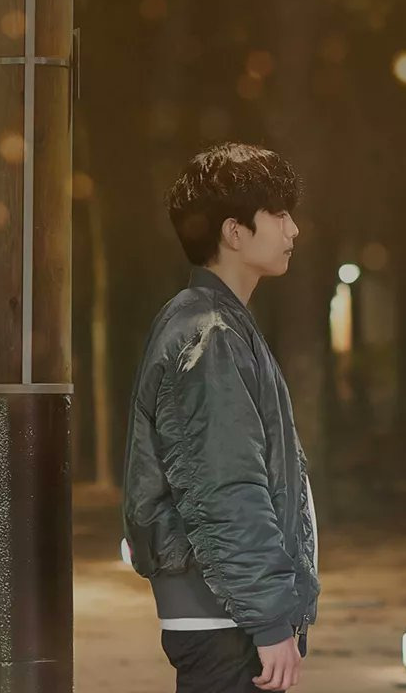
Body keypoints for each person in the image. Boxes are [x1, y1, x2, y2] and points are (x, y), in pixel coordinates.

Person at [121, 143, 319, 692]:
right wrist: (269, 618)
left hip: (224, 609)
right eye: (279, 214)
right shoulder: (210, 334)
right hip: (224, 617)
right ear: (234, 232)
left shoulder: (212, 321)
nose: (294, 229)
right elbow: (227, 488)